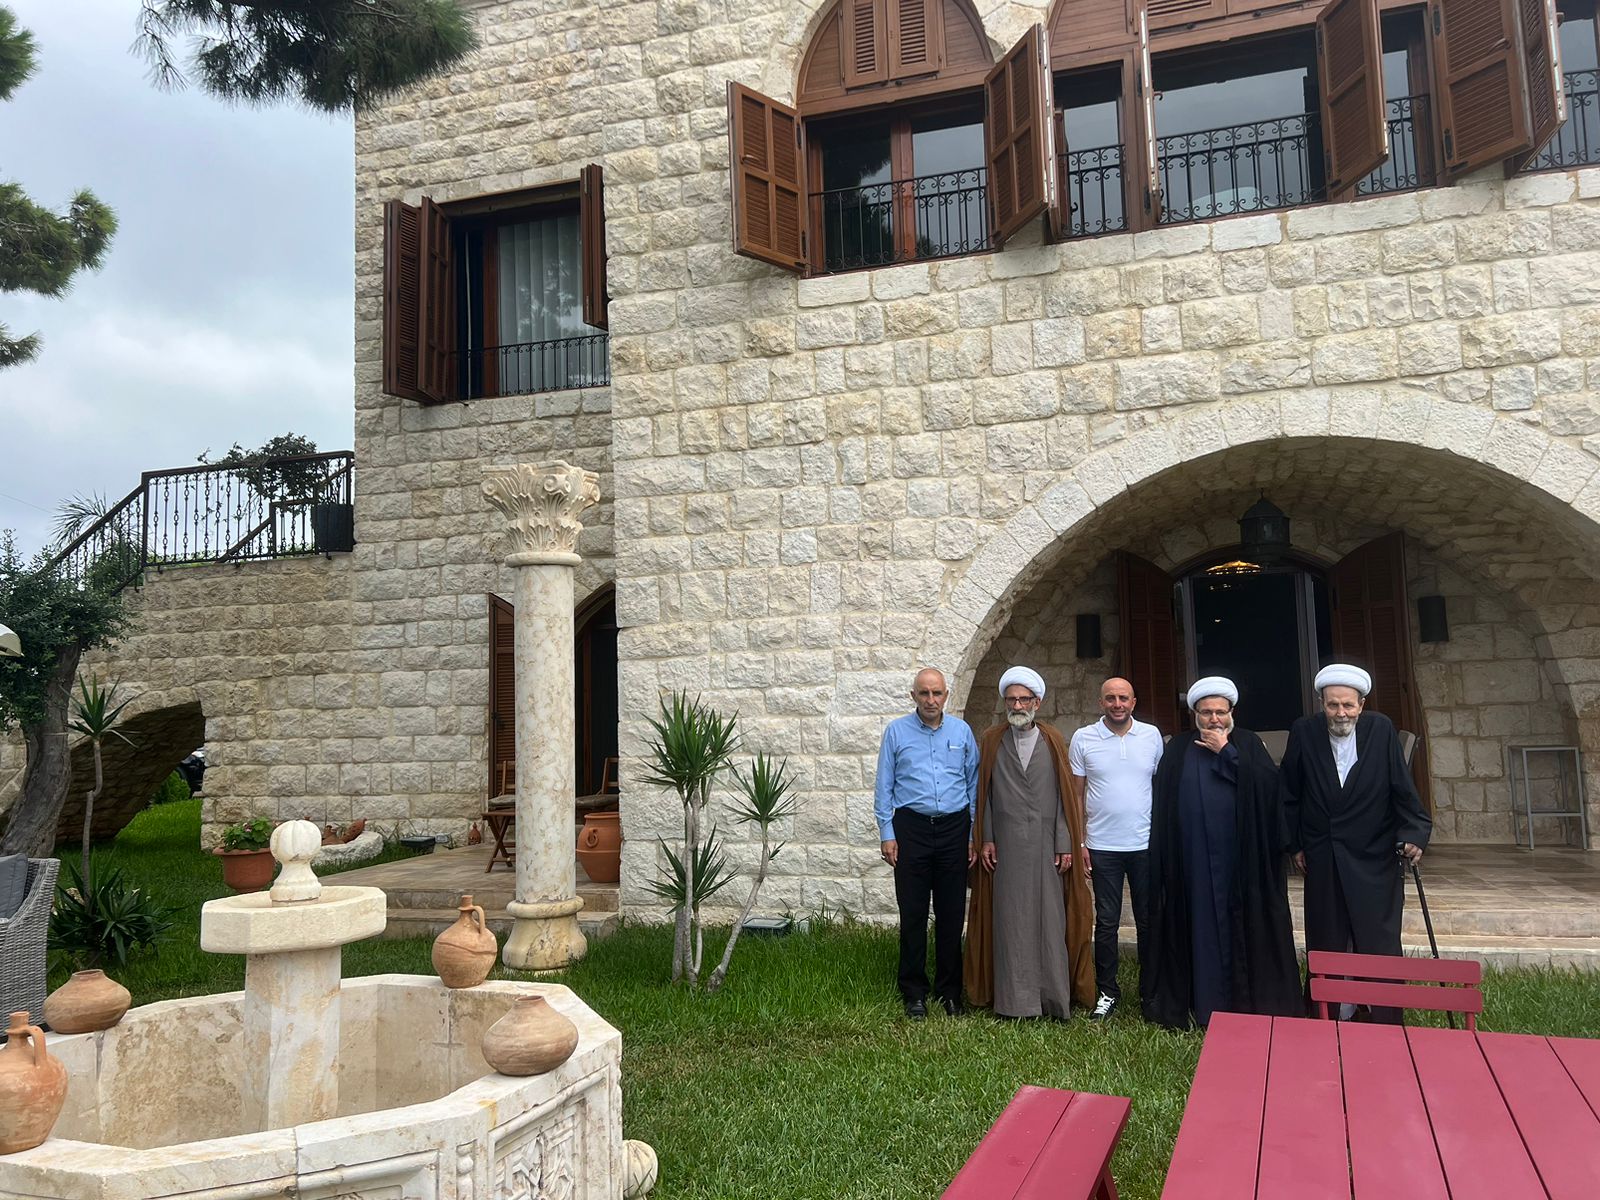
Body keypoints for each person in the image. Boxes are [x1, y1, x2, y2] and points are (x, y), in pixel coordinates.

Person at [1143, 677, 1301, 1029]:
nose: (1214, 719)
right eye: (1206, 712)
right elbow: (1164, 804)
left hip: (1241, 862)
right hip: (1193, 861)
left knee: (1242, 928)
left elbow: (1268, 790)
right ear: (1194, 714)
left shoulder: (1248, 744)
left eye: (1220, 712)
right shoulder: (1179, 749)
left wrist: (1226, 752)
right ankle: (1203, 1004)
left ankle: (1244, 1004)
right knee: (1198, 929)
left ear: (1232, 712)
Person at [1281, 664, 1431, 1024]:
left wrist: (1413, 832)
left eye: (1348, 705)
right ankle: (1332, 1014)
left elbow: (1401, 786)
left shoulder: (1381, 729)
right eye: (1332, 705)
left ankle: (1383, 1015)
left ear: (1361, 705)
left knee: (1378, 938)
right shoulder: (1304, 731)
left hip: (1374, 854)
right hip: (1324, 853)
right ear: (1322, 704)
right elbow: (1289, 793)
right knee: (1328, 937)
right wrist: (1295, 844)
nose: (1341, 713)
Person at [964, 666, 1095, 1018]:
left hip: (1046, 846)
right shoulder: (992, 740)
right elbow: (985, 793)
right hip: (1005, 848)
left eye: (1024, 699)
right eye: (1012, 699)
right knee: (1009, 920)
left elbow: (1065, 796)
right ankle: (1013, 1001)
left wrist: (1065, 842)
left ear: (1037, 702)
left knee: (1049, 920)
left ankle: (1051, 997)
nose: (1018, 705)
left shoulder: (1052, 739)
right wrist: (986, 838)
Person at [875, 667, 979, 1020]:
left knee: (951, 914)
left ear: (946, 695)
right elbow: (884, 785)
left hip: (954, 829)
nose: (931, 700)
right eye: (924, 693)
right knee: (913, 913)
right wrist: (887, 832)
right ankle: (913, 992)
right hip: (911, 829)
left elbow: (973, 784)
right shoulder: (896, 732)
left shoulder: (961, 732)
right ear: (913, 696)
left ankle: (950, 992)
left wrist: (971, 835)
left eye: (936, 693)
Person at [1069, 676, 1162, 1021]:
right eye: (1111, 698)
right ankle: (1107, 992)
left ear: (1133, 702)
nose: (1117, 704)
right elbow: (1076, 794)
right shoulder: (1084, 738)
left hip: (1145, 844)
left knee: (1148, 921)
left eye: (1123, 698)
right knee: (1107, 922)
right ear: (1101, 702)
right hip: (1102, 846)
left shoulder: (1151, 736)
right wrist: (1080, 842)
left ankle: (1151, 993)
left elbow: (1158, 786)